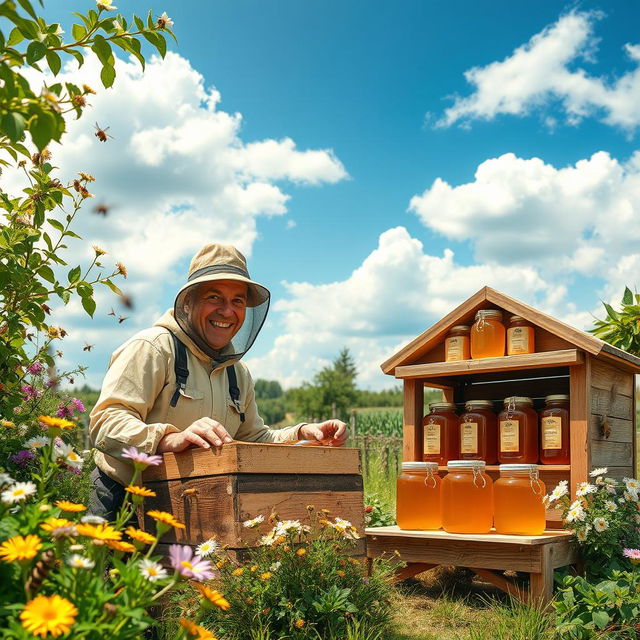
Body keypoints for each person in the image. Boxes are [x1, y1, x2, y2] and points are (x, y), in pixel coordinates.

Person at [89, 243, 347, 519]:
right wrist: (168, 438)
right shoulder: (153, 348)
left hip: (194, 513)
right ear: (187, 303)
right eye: (214, 297)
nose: (227, 311)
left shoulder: (237, 372)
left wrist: (302, 434)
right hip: (122, 505)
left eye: (237, 301)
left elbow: (254, 438)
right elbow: (105, 424)